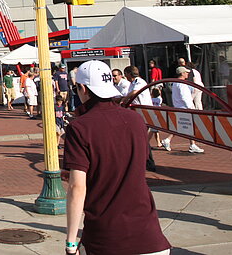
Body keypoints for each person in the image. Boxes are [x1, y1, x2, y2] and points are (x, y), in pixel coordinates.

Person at [64, 60, 171, 255]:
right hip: (150, 236)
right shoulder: (136, 120)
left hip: (106, 238)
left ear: (83, 88)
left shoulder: (79, 128)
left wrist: (71, 242)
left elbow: (76, 187)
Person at [160, 66, 204, 153]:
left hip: (179, 107)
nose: (187, 74)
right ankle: (192, 145)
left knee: (182, 126)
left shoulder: (176, 83)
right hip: (185, 108)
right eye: (186, 72)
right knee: (189, 126)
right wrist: (190, 107)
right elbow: (185, 97)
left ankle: (169, 140)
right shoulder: (182, 84)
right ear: (182, 73)